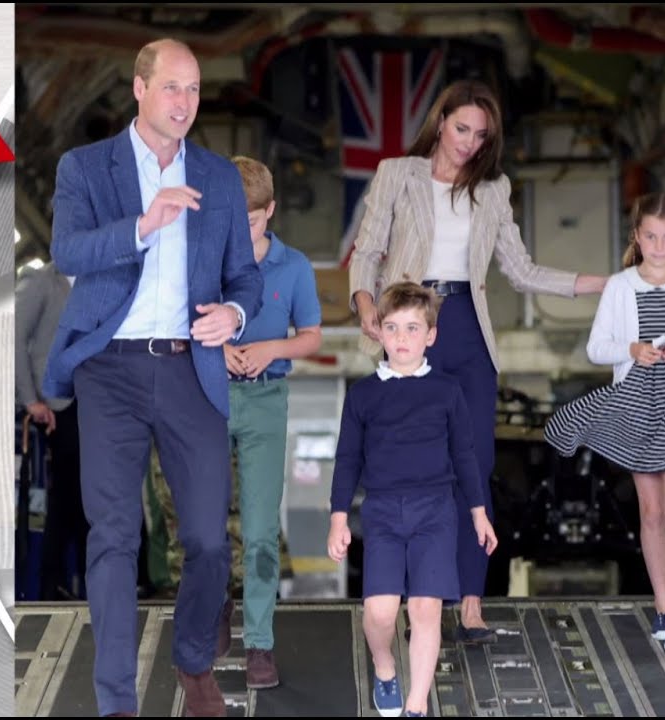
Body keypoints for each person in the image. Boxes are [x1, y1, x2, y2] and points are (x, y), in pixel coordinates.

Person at [41, 38, 264, 718]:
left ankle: (194, 660)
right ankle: (117, 704)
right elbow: (67, 250)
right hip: (111, 368)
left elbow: (245, 276)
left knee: (204, 539)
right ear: (139, 89)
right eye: (172, 87)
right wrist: (142, 224)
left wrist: (234, 311)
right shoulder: (86, 168)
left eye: (194, 90)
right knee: (113, 536)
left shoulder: (221, 178)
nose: (185, 103)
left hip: (191, 367)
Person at [347, 79, 607, 638]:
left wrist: (603, 283)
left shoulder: (493, 188)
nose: (468, 142)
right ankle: (420, 602)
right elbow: (367, 252)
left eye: (480, 134)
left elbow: (523, 271)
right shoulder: (398, 173)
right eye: (461, 128)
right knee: (406, 467)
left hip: (467, 328)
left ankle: (469, 601)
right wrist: (367, 306)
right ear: (440, 121)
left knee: (474, 467)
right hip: (410, 325)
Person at [545, 193, 665, 653]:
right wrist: (631, 350)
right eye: (650, 236)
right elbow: (595, 349)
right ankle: (662, 603)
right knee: (651, 512)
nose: (659, 245)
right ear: (637, 237)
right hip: (634, 402)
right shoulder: (620, 287)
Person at [327, 282, 498, 718]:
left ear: (431, 336)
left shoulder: (446, 391)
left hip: (436, 512)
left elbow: (465, 455)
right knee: (381, 614)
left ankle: (416, 705)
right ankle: (385, 668)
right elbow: (347, 459)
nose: (402, 338)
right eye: (392, 327)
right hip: (383, 513)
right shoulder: (363, 394)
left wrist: (479, 513)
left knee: (426, 609)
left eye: (412, 328)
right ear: (378, 333)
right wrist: (338, 518)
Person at [221, 155, 323, 689]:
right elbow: (179, 321)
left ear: (271, 212)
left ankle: (259, 641)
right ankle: (215, 605)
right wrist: (217, 355)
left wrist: (271, 348)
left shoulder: (295, 266)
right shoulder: (205, 258)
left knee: (260, 530)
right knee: (205, 524)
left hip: (266, 400)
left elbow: (311, 335)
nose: (242, 232)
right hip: (209, 398)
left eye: (253, 222)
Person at [16, 261, 87, 601]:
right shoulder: (39, 281)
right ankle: (50, 582)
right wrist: (30, 400)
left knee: (79, 494)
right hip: (56, 405)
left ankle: (65, 581)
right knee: (67, 495)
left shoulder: (95, 280)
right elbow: (13, 338)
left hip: (88, 401)